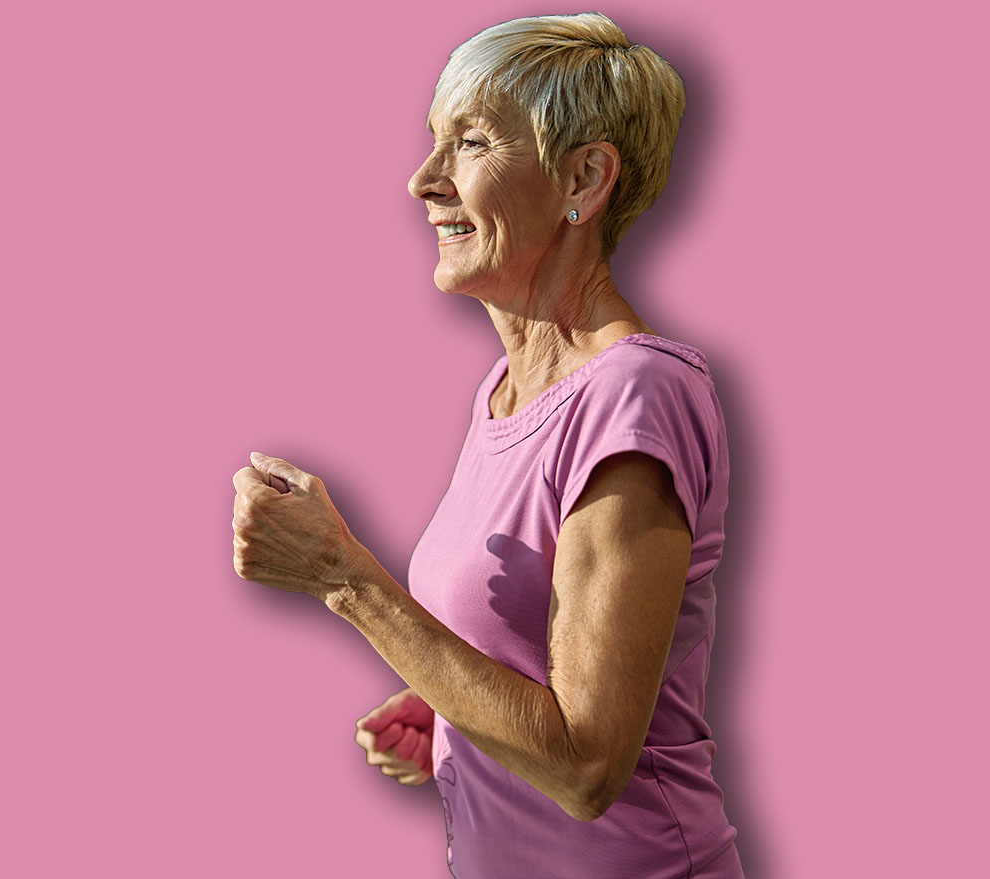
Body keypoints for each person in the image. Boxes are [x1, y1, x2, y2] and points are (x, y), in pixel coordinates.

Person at [231, 12, 743, 878]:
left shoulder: (636, 394)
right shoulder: (503, 395)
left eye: (467, 142)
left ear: (585, 177)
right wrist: (451, 711)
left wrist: (344, 576)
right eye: (433, 141)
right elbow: (541, 659)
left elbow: (585, 765)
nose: (422, 181)